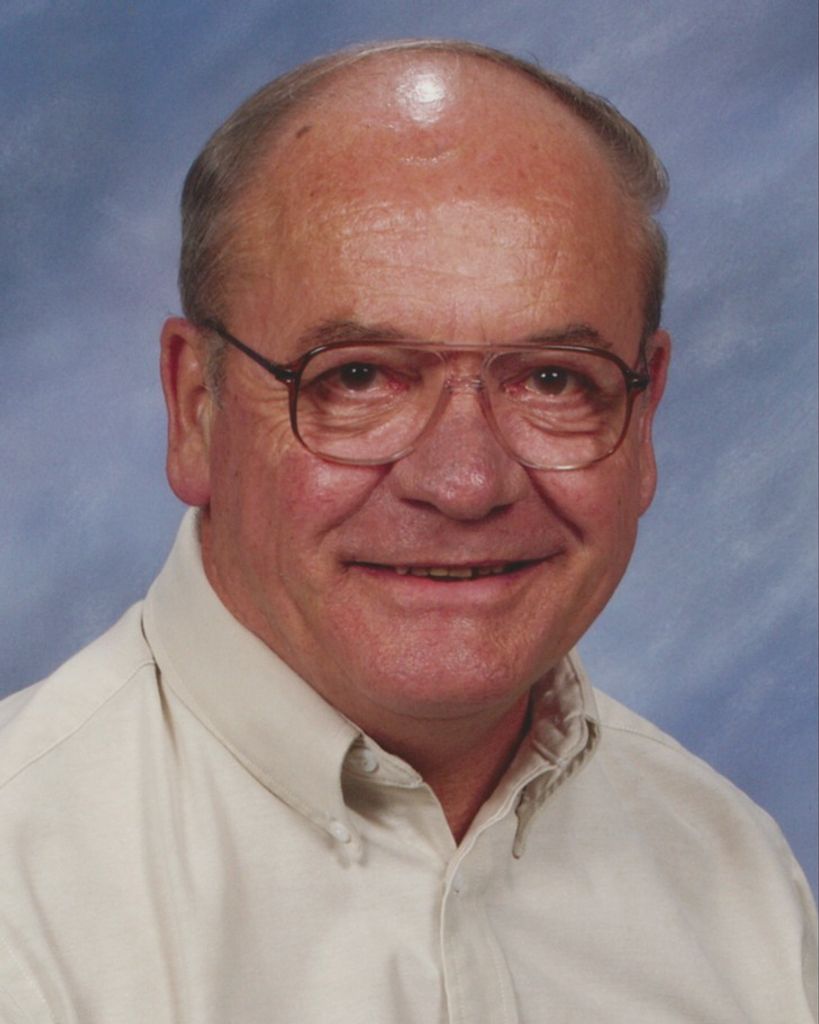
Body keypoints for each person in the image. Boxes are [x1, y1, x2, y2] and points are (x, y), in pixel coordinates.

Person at [0, 38, 815, 1024]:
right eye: (358, 377)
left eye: (552, 380)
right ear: (196, 411)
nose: (464, 482)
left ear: (642, 423)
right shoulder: (23, 883)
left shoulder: (736, 879)